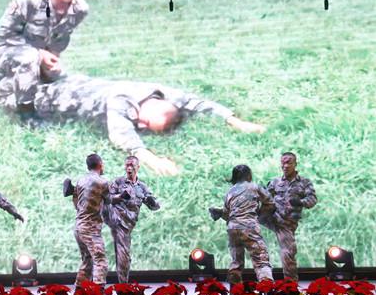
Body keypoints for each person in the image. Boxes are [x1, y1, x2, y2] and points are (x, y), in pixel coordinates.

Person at [31, 74, 265, 176]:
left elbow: (198, 103)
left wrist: (236, 122)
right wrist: (153, 160)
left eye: (147, 126)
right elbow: (121, 135)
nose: (141, 125)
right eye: (146, 120)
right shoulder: (121, 99)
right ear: (150, 105)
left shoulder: (162, 96)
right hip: (57, 99)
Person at [0, 0, 89, 117]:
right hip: (4, 52)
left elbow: (58, 43)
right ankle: (27, 113)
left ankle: (4, 89)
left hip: (37, 58)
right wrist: (39, 54)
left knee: (61, 81)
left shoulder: (79, 9)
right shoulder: (26, 0)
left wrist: (51, 65)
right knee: (30, 58)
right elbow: (5, 38)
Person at [209, 164, 274, 284]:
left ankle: (235, 288)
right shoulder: (254, 187)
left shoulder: (230, 191)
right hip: (249, 227)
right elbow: (270, 203)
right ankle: (267, 287)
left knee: (236, 262)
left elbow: (227, 214)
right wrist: (260, 214)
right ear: (249, 175)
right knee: (261, 259)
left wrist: (219, 212)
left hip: (232, 228)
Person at [260, 152, 317, 281]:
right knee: (246, 213)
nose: (285, 166)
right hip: (271, 217)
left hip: (286, 223)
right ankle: (226, 213)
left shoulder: (304, 182)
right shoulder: (275, 182)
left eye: (289, 163)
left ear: (295, 164)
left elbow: (312, 200)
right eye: (283, 163)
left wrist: (300, 202)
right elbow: (265, 197)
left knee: (288, 252)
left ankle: (290, 284)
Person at [104, 155, 161, 283]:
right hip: (116, 218)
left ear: (138, 167)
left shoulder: (142, 187)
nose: (129, 168)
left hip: (128, 224)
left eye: (132, 165)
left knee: (124, 255)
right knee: (123, 255)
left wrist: (152, 202)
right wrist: (120, 196)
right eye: (127, 165)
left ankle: (123, 284)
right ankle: (123, 287)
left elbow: (155, 206)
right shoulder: (119, 182)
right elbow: (108, 199)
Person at [71, 153, 110, 286]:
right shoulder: (102, 182)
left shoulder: (80, 181)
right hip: (90, 229)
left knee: (87, 260)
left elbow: (75, 202)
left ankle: (79, 293)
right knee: (100, 261)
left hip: (78, 227)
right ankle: (99, 293)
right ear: (100, 165)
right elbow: (110, 200)